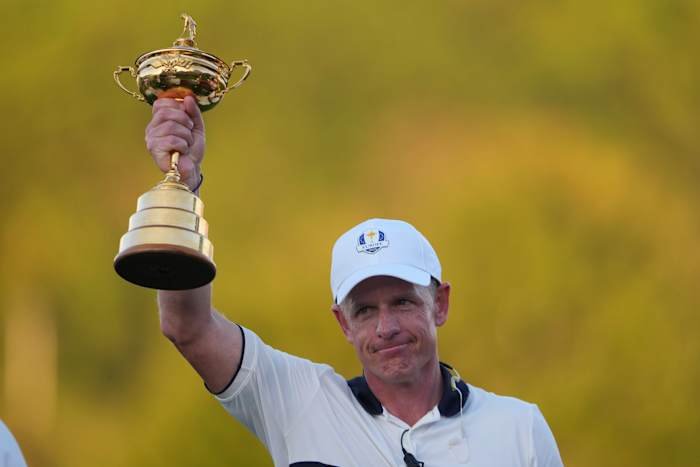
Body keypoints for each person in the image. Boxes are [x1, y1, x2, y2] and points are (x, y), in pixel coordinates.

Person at [145, 96, 564, 466]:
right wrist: (183, 185)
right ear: (343, 322)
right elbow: (188, 326)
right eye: (364, 310)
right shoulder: (300, 403)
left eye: (402, 301)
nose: (386, 327)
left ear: (440, 303)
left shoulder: (519, 428)